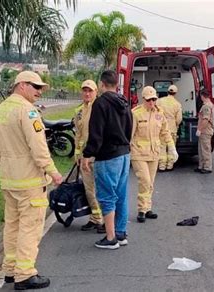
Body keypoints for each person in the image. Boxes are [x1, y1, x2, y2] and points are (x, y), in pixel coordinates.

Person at [0, 71, 63, 290]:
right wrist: (53, 172)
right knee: (30, 228)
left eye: (40, 88)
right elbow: (39, 147)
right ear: (21, 85)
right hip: (29, 181)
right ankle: (25, 274)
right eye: (35, 87)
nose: (39, 92)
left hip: (9, 178)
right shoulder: (28, 112)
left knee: (12, 226)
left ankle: (11, 271)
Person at [81, 70, 132, 250]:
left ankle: (110, 238)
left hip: (107, 156)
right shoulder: (125, 102)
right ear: (116, 85)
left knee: (106, 196)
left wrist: (87, 154)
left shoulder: (100, 104)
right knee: (121, 195)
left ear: (101, 84)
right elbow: (129, 129)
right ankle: (120, 232)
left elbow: (96, 134)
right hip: (124, 153)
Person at [131, 86, 178, 223]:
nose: (151, 102)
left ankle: (147, 208)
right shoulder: (136, 113)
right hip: (138, 153)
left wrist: (171, 147)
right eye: (149, 100)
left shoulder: (159, 113)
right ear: (143, 99)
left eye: (153, 99)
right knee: (144, 181)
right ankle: (141, 210)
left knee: (150, 182)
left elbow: (165, 132)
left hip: (154, 153)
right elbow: (129, 134)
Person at [73, 80, 104, 233]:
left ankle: (104, 220)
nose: (87, 93)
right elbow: (78, 134)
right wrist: (77, 153)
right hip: (85, 156)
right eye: (84, 90)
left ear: (96, 92)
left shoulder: (99, 108)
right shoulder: (79, 111)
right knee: (89, 189)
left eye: (90, 91)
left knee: (102, 189)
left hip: (98, 155)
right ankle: (96, 218)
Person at [156, 84, 182, 171]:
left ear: (167, 91)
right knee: (171, 147)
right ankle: (170, 165)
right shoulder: (177, 104)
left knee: (162, 147)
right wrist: (176, 124)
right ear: (175, 93)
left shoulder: (160, 101)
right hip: (172, 128)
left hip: (161, 128)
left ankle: (162, 166)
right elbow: (179, 119)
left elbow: (155, 112)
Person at [195, 89, 214, 174]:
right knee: (201, 150)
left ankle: (207, 167)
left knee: (205, 150)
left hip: (205, 131)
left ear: (202, 96)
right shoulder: (208, 105)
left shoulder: (207, 106)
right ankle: (201, 166)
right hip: (204, 131)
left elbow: (205, 120)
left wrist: (199, 129)